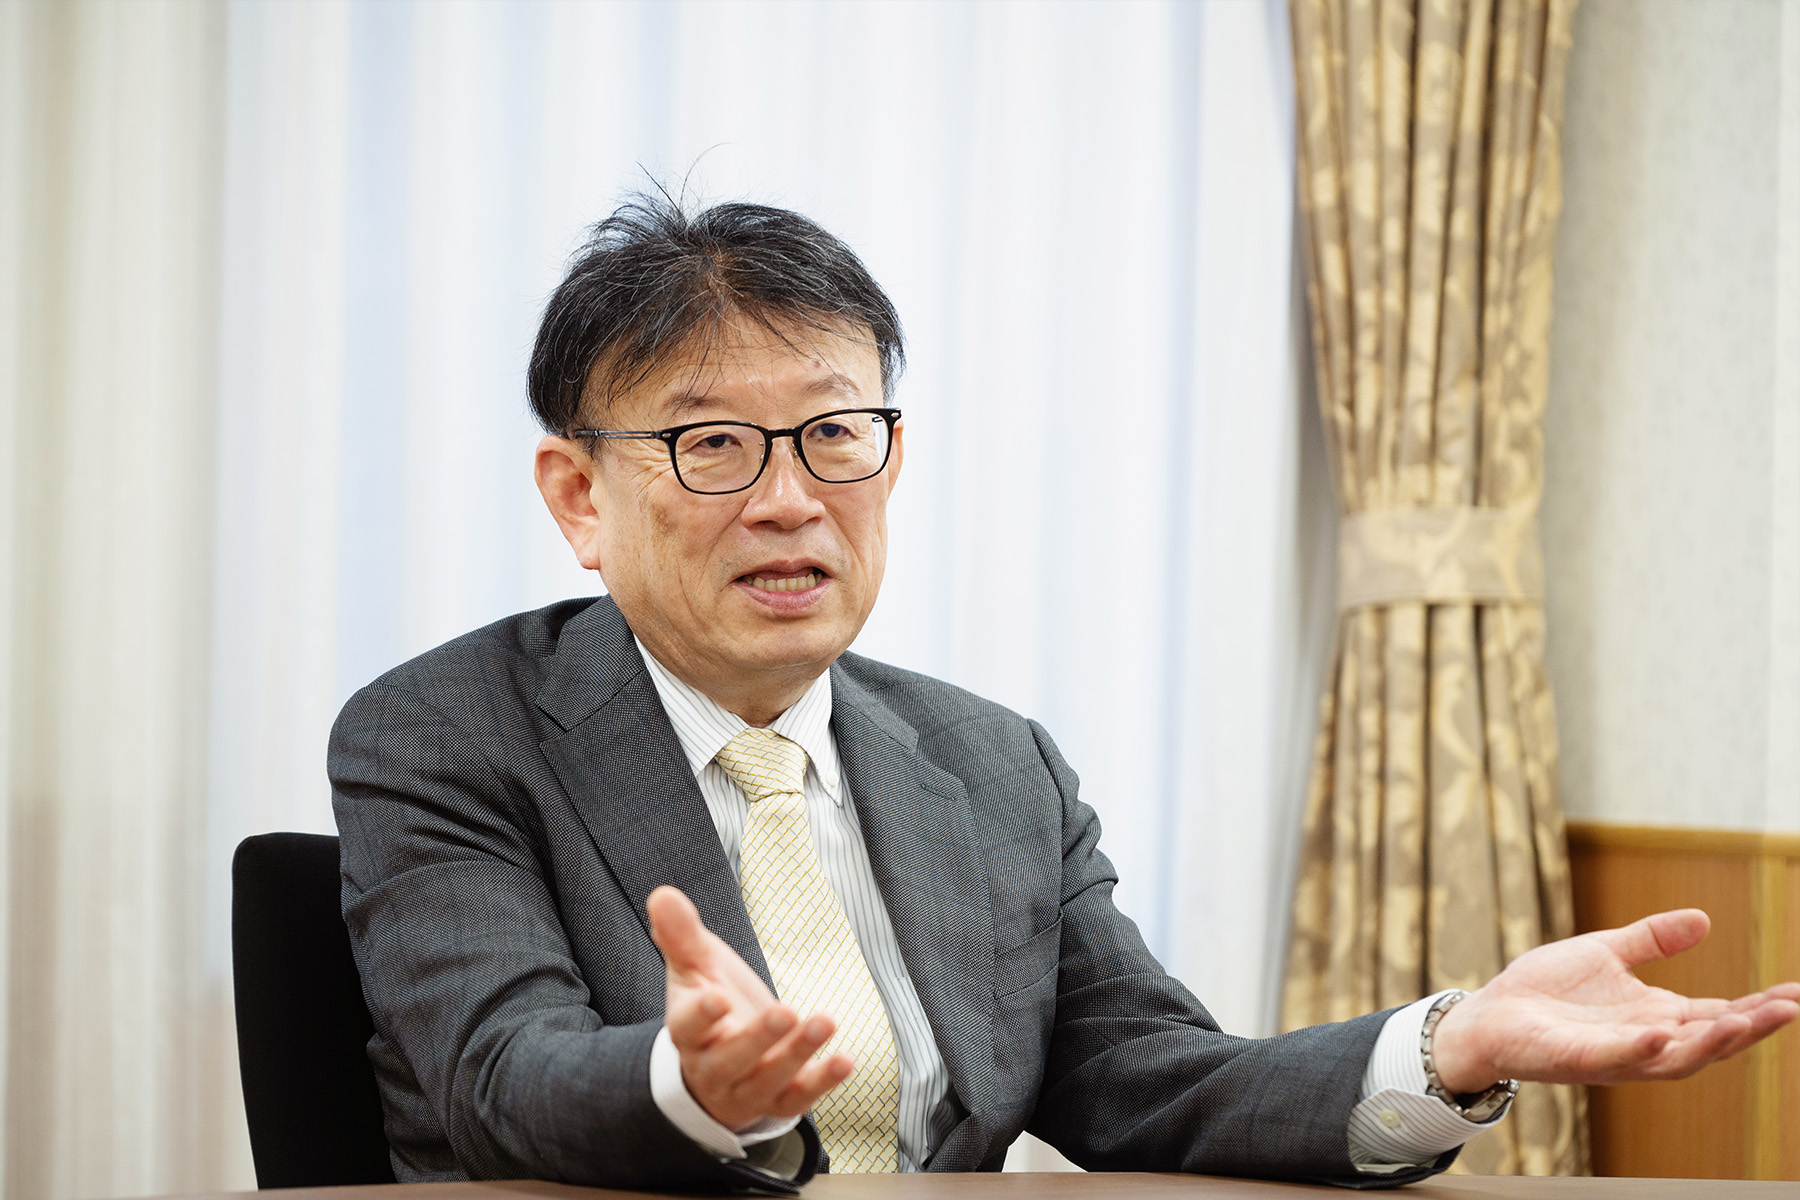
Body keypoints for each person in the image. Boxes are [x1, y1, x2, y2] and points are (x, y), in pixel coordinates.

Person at [329, 194, 1799, 1193]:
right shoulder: (444, 733)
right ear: (578, 497)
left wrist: (1446, 1044)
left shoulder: (989, 762)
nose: (790, 500)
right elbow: (500, 1075)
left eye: (836, 433)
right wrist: (690, 1082)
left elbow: (1144, 1079)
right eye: (712, 444)